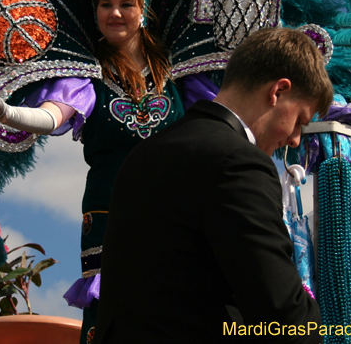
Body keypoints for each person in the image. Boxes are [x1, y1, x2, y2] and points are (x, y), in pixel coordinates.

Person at [0, 0, 218, 342]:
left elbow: (232, 118)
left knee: (180, 305)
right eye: (105, 4)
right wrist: (3, 110)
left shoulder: (179, 74)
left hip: (178, 207)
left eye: (126, 4)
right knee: (115, 310)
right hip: (112, 208)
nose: (115, 13)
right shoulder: (88, 76)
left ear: (144, 10)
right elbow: (51, 117)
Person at [94, 27, 334, 344]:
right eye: (300, 120)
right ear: (278, 91)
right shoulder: (239, 163)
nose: (294, 139)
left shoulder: (144, 154)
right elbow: (283, 317)